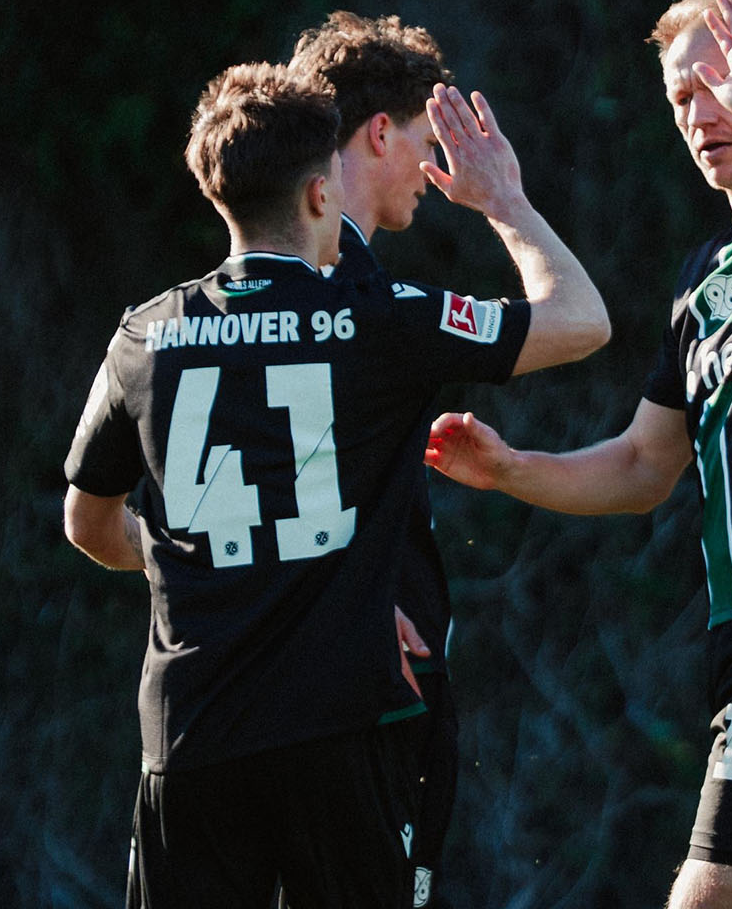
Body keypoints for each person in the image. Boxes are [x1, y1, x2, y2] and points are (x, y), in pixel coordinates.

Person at [62, 63, 608, 908]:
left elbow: (87, 524)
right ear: (323, 196)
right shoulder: (380, 321)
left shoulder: (143, 337)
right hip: (339, 730)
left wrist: (199, 558)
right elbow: (581, 321)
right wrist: (507, 201)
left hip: (192, 732)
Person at [423, 0, 732, 909]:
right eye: (678, 98)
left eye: (715, 86)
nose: (699, 115)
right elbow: (644, 466)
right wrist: (509, 470)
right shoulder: (706, 279)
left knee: (712, 893)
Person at [288, 11, 463, 908]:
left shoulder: (241, 295)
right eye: (429, 145)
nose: (437, 172)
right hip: (366, 693)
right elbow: (581, 321)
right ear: (380, 132)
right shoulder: (371, 301)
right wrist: (504, 201)